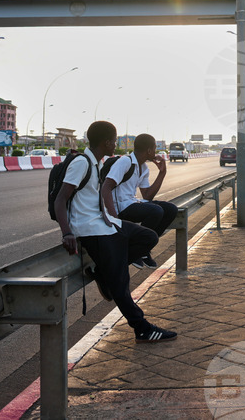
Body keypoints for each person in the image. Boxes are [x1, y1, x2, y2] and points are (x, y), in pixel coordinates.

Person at [54, 121, 177, 343]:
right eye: (114, 140)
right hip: (90, 229)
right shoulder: (82, 163)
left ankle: (105, 273)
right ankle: (142, 328)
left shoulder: (96, 163)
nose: (116, 144)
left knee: (148, 237)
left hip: (104, 223)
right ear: (106, 142)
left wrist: (112, 219)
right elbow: (60, 199)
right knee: (120, 281)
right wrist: (67, 233)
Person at [103, 133, 177, 269]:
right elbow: (106, 187)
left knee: (171, 209)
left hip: (132, 203)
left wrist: (162, 173)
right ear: (149, 150)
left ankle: (143, 249)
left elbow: (147, 196)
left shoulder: (143, 168)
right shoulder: (125, 162)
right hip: (120, 208)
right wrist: (115, 219)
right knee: (156, 211)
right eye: (154, 149)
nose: (155, 152)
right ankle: (137, 249)